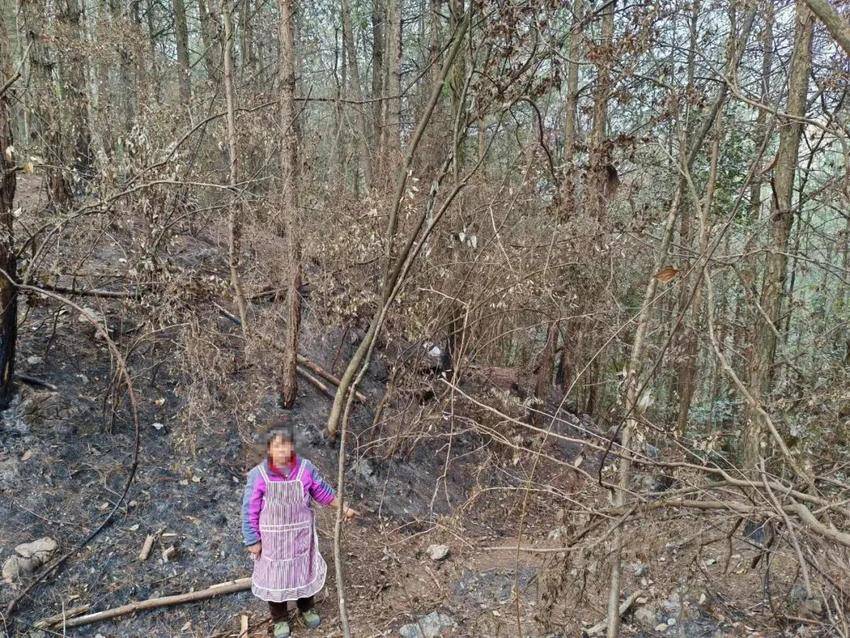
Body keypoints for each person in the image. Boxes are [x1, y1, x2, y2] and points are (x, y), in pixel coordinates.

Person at [242, 419, 357, 637]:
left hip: (300, 538)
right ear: (269, 449)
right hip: (273, 543)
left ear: (293, 446)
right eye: (277, 445)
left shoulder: (305, 469)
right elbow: (249, 510)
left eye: (286, 444)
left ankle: (306, 609)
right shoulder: (259, 475)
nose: (282, 450)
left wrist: (343, 507)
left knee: (303, 572)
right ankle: (280, 619)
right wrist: (252, 539)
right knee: (275, 579)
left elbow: (322, 492)